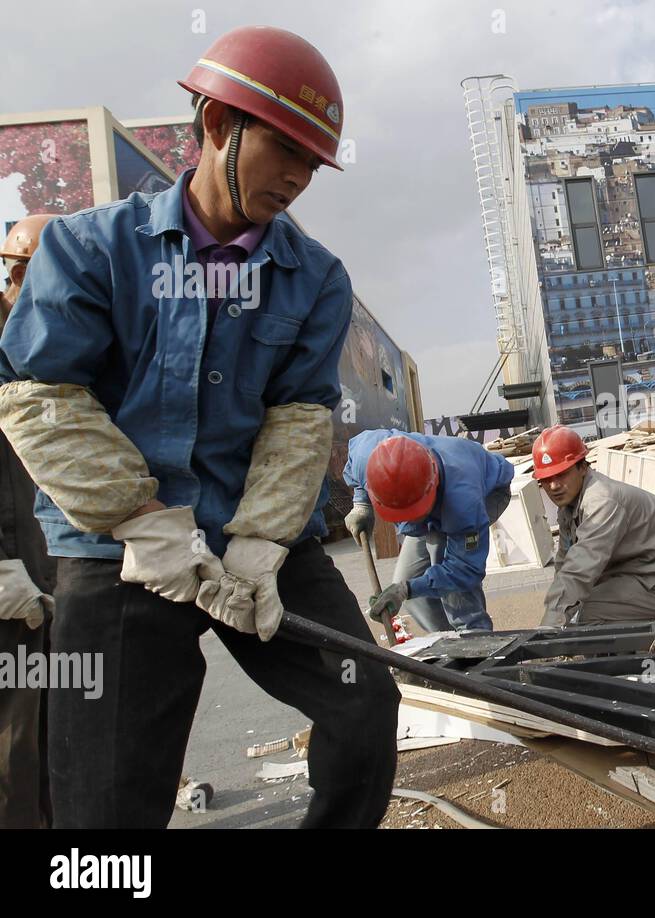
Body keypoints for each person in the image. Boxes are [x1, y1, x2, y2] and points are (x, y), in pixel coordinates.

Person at [0, 26, 399, 828]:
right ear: (218, 123)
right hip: (115, 554)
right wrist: (140, 523)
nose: (296, 177)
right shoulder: (89, 249)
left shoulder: (315, 278)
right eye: (283, 149)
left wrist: (260, 541)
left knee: (365, 709)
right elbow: (41, 396)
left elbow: (296, 418)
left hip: (252, 541)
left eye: (312, 163)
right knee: (105, 801)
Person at [0, 214, 58, 828]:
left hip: (48, 571)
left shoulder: (45, 344)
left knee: (58, 723)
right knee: (14, 741)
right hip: (8, 579)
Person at [343, 430, 514, 633]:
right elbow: (354, 463)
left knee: (442, 561)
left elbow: (464, 569)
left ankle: (475, 635)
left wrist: (408, 589)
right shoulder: (367, 455)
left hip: (489, 490)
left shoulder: (463, 502)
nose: (409, 519)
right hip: (434, 494)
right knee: (407, 578)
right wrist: (361, 503)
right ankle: (446, 641)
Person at [533, 425, 655, 628]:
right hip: (641, 572)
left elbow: (580, 566)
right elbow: (566, 563)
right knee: (576, 605)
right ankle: (647, 626)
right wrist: (557, 612)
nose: (554, 486)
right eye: (546, 479)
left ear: (583, 467)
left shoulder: (600, 501)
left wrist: (551, 624)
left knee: (590, 614)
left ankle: (645, 646)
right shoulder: (569, 504)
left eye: (562, 474)